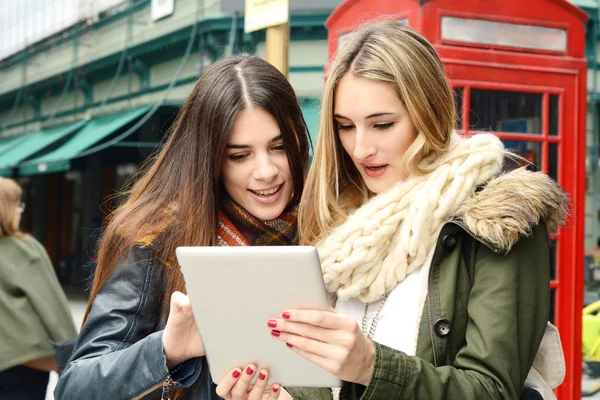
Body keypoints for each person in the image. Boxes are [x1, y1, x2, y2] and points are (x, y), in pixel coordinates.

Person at [264, 20, 568, 400]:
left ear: (429, 111)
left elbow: (491, 389)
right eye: (345, 126)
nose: (360, 149)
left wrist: (372, 366)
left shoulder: (496, 217)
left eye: (382, 124)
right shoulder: (341, 217)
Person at [55, 54, 310, 400]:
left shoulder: (328, 229)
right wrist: (167, 350)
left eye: (278, 147)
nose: (265, 171)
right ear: (210, 159)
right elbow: (75, 387)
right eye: (239, 155)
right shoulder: (156, 240)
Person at [0, 177, 78, 399]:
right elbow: (50, 305)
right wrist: (73, 357)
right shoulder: (24, 249)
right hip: (23, 363)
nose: (21, 210)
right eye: (18, 204)